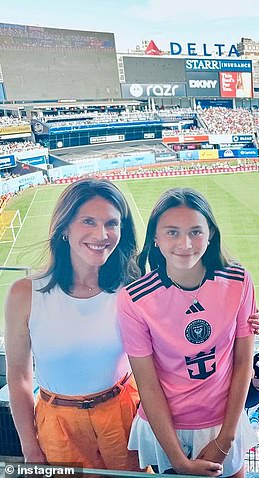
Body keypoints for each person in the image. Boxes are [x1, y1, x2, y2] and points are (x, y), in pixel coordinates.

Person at [117, 188, 258, 477]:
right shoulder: (134, 298)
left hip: (223, 423)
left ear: (211, 234)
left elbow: (244, 362)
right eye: (172, 232)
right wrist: (178, 460)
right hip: (166, 431)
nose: (185, 243)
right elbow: (148, 384)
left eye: (196, 232)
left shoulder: (238, 280)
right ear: (155, 238)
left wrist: (225, 439)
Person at [4, 178, 142, 470]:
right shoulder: (24, 294)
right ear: (64, 228)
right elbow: (19, 379)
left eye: (112, 223)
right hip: (57, 425)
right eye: (88, 221)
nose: (101, 234)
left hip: (124, 416)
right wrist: (31, 449)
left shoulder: (131, 288)